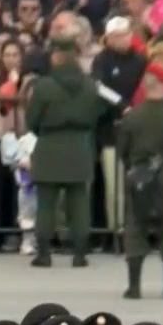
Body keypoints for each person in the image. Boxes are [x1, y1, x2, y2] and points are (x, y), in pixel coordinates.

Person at [25, 36, 103, 268]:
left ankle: (44, 254)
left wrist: (44, 129)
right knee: (79, 203)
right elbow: (95, 115)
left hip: (49, 144)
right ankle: (79, 254)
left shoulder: (44, 86)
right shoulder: (90, 85)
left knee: (46, 203)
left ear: (57, 56)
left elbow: (32, 120)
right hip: (80, 144)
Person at [117, 67, 163, 300]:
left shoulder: (131, 117)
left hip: (137, 176)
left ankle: (134, 286)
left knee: (135, 227)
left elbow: (122, 151)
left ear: (146, 85)